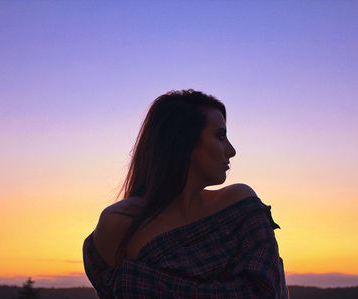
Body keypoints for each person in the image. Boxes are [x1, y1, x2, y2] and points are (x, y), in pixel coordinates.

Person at [83, 89, 289, 298]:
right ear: (183, 141)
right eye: (220, 136)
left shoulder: (240, 207)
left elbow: (268, 290)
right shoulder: (118, 223)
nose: (231, 150)